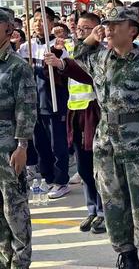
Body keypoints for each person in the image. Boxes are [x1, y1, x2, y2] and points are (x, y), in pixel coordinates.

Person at [74, 7, 139, 269]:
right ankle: (126, 255)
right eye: (107, 24)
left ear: (133, 31)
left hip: (138, 141)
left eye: (116, 24)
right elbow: (78, 53)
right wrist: (92, 37)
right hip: (106, 141)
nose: (109, 28)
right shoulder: (101, 58)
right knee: (113, 201)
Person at [44, 12, 105, 234]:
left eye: (87, 28)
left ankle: (105, 211)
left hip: (95, 112)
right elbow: (57, 78)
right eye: (79, 27)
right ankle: (92, 210)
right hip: (76, 113)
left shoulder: (102, 53)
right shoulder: (72, 49)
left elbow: (85, 73)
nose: (81, 31)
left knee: (100, 167)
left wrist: (62, 63)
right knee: (84, 167)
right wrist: (55, 60)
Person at [18, 6, 71, 200]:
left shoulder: (58, 46)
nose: (38, 24)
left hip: (53, 101)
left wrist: (55, 56)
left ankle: (61, 181)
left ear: (51, 23)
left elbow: (64, 72)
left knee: (57, 143)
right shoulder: (26, 47)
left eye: (42, 20)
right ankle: (48, 178)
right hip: (34, 102)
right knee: (40, 144)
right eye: (35, 20)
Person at [0, 8, 37, 269]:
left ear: (8, 31)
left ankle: (20, 261)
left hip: (8, 145)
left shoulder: (17, 67)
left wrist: (22, 145)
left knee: (15, 208)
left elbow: (26, 108)